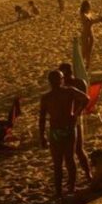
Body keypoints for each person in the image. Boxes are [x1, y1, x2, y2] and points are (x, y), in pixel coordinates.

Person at [39, 69, 90, 197]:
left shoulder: (47, 97)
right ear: (61, 80)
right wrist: (76, 113)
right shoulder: (68, 91)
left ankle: (59, 191)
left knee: (58, 162)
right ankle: (70, 188)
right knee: (69, 159)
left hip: (56, 130)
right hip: (67, 129)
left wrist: (42, 136)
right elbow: (86, 98)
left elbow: (42, 119)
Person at [79, 0, 102, 68]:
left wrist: (100, 19)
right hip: (85, 34)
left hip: (91, 33)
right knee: (84, 51)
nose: (89, 7)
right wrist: (99, 20)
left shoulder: (89, 13)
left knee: (89, 51)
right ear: (84, 7)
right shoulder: (83, 15)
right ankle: (82, 65)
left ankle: (87, 65)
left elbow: (92, 21)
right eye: (87, 6)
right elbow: (89, 22)